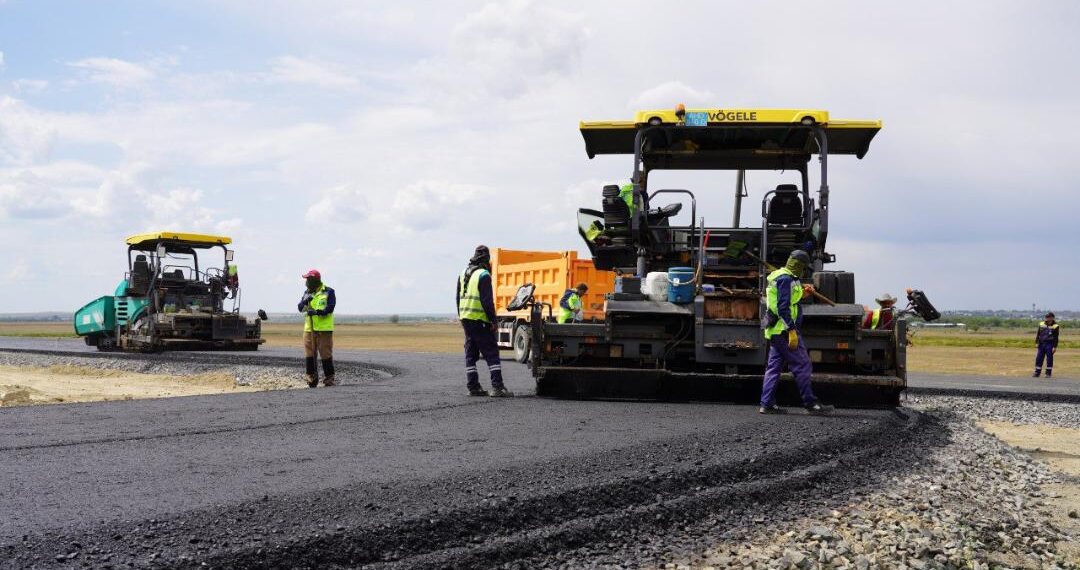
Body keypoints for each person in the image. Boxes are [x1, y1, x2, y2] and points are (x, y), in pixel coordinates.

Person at [759, 250, 831, 415]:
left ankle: (767, 404)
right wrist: (791, 329)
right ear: (800, 266)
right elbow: (783, 308)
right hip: (784, 331)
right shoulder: (786, 279)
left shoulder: (782, 276)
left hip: (776, 331)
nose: (805, 270)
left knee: (773, 368)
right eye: (804, 267)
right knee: (803, 365)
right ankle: (810, 403)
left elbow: (787, 301)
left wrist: (802, 294)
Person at [457, 245, 513, 398]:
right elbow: (487, 301)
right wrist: (493, 320)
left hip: (466, 319)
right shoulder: (484, 275)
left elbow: (458, 298)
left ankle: (473, 387)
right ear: (487, 259)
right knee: (492, 353)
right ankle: (498, 387)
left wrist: (461, 317)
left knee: (470, 354)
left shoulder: (463, 273)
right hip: (480, 320)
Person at [298, 269, 336, 387]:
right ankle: (311, 379)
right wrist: (305, 301)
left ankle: (329, 379)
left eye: (309, 279)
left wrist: (316, 312)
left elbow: (330, 308)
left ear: (315, 280)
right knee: (310, 354)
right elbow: (300, 308)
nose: (307, 282)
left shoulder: (328, 292)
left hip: (324, 330)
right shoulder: (307, 293)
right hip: (309, 329)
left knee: (325, 354)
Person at [1033, 312, 1060, 378]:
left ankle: (1048, 373)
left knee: (1049, 359)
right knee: (1039, 358)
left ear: (1052, 318)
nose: (1047, 318)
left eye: (1048, 317)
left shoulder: (1056, 326)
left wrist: (1055, 347)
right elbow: (1038, 334)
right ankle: (1037, 372)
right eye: (1046, 317)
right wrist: (1036, 342)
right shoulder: (1041, 324)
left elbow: (1056, 337)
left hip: (1050, 344)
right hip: (1041, 344)